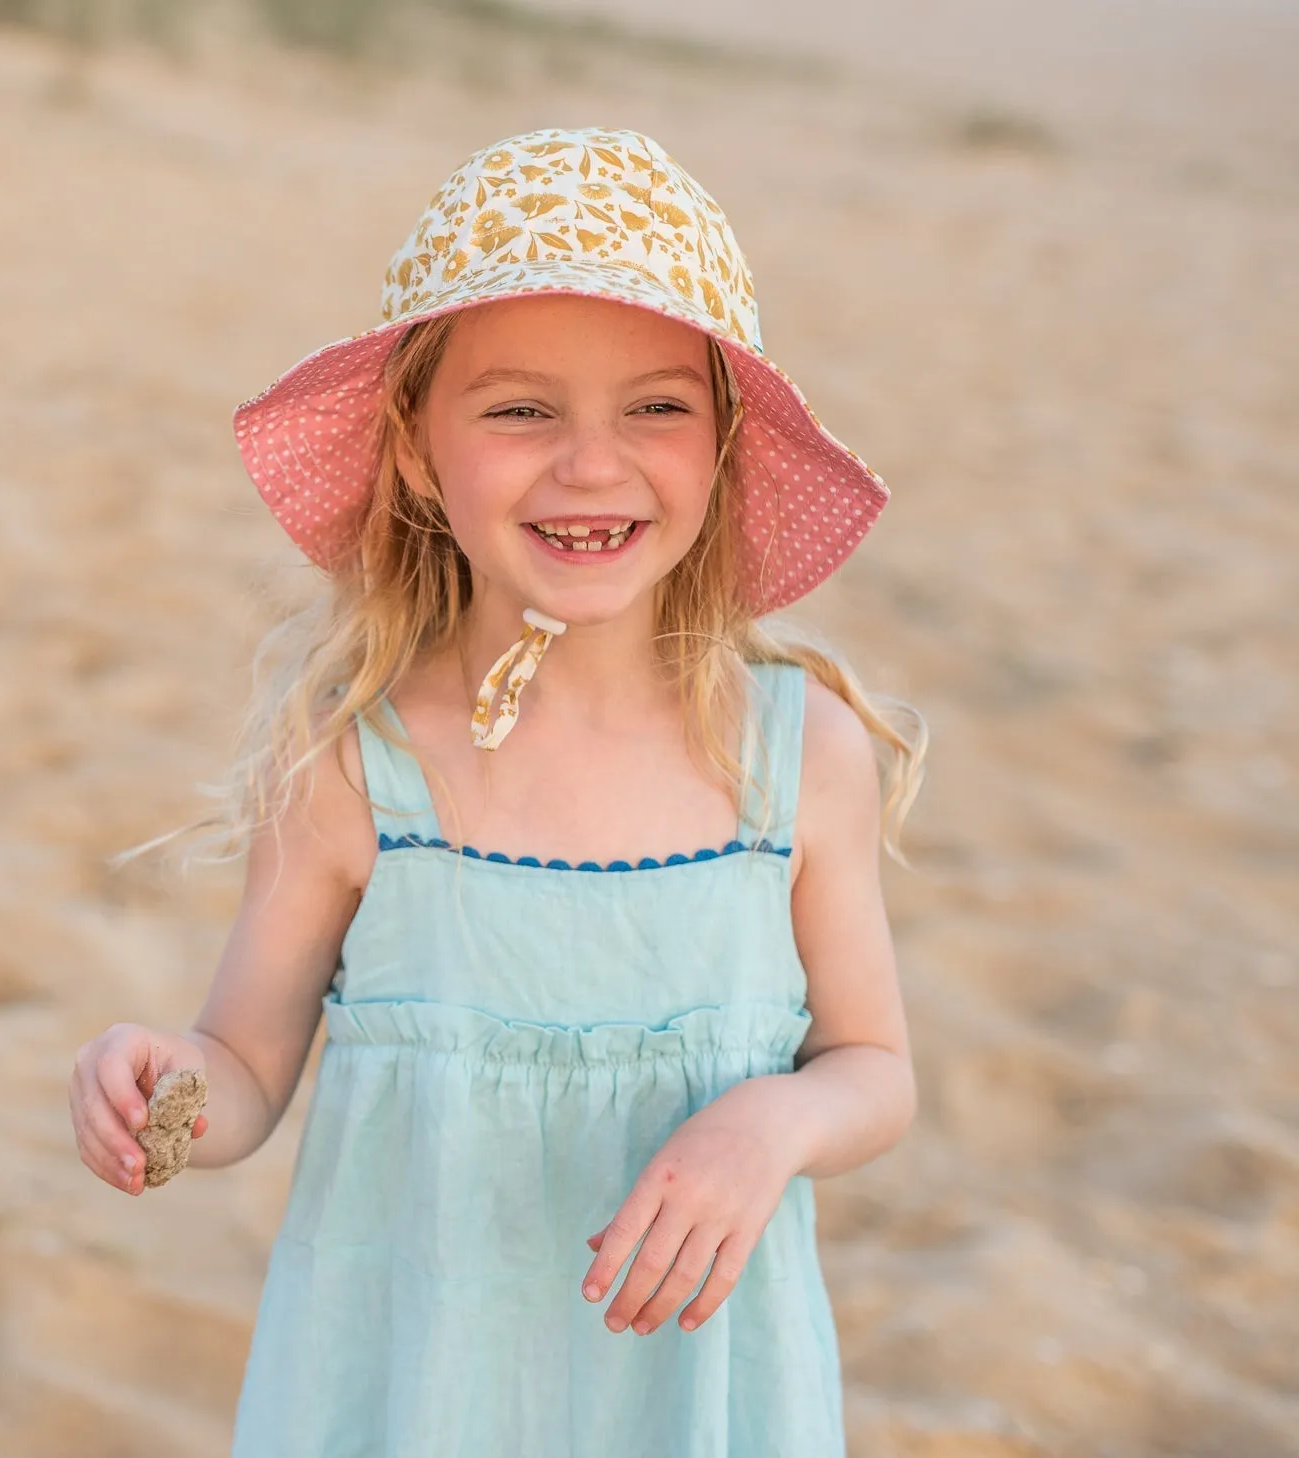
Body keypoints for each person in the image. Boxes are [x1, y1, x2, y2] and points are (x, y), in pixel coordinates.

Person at [68, 126, 927, 1456]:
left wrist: (778, 1118)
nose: (590, 464)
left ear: (725, 444)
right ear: (416, 446)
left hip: (694, 1395)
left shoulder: (795, 752)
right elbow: (242, 1063)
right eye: (521, 408)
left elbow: (874, 1067)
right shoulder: (359, 757)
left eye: (657, 406)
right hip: (416, 1389)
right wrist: (161, 1082)